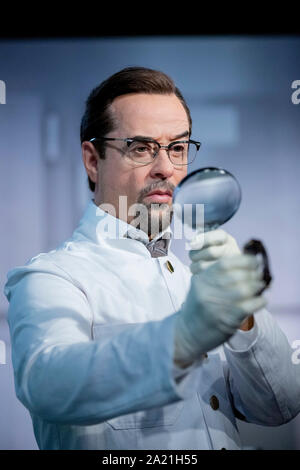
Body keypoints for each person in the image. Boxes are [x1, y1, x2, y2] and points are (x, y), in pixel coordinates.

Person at [4, 67, 299, 450]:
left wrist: (241, 313)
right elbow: (47, 384)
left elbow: (279, 405)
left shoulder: (195, 279)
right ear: (93, 160)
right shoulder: (51, 277)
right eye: (141, 148)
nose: (165, 169)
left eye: (177, 148)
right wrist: (185, 336)